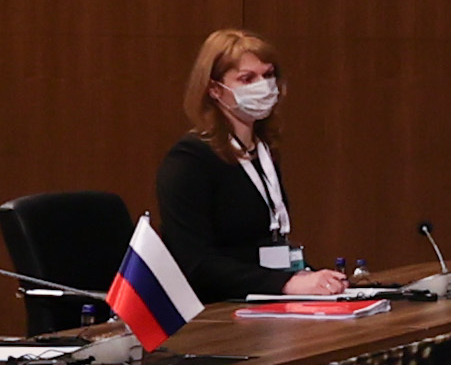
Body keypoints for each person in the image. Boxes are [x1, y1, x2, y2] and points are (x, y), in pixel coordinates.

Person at [153, 28, 363, 307]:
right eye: (247, 78)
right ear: (215, 89)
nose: (263, 86)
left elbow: (260, 242)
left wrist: (312, 277)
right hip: (215, 312)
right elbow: (196, 263)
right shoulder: (189, 161)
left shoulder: (263, 151)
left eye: (268, 75)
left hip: (261, 301)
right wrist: (286, 284)